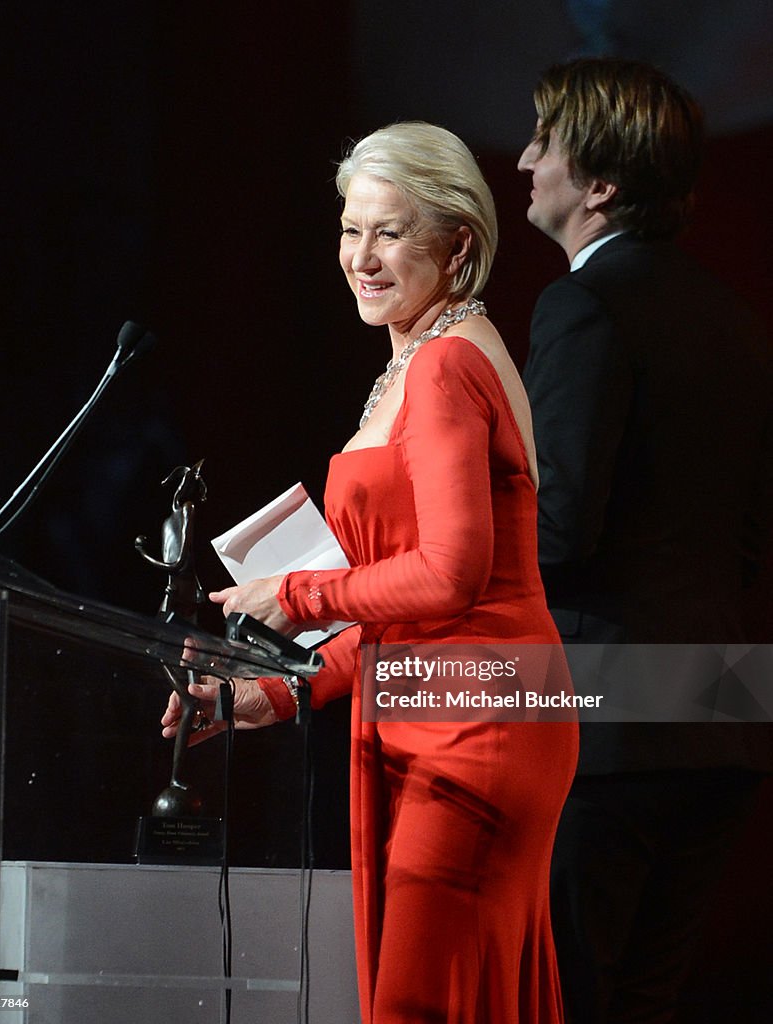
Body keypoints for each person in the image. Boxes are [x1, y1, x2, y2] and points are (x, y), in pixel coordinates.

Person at [163, 121, 578, 1024]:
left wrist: (295, 596)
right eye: (352, 230)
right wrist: (272, 696)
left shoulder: (443, 368)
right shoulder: (415, 363)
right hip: (441, 695)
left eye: (390, 231)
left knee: (423, 1003)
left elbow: (450, 579)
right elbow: (404, 611)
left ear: (457, 242)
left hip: (477, 715)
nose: (363, 256)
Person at [518, 58, 773, 1023]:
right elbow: (751, 543)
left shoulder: (583, 303)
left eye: (546, 141)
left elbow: (559, 526)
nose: (527, 160)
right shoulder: (738, 316)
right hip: (728, 711)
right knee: (649, 1001)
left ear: (601, 184)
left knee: (572, 997)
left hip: (612, 721)